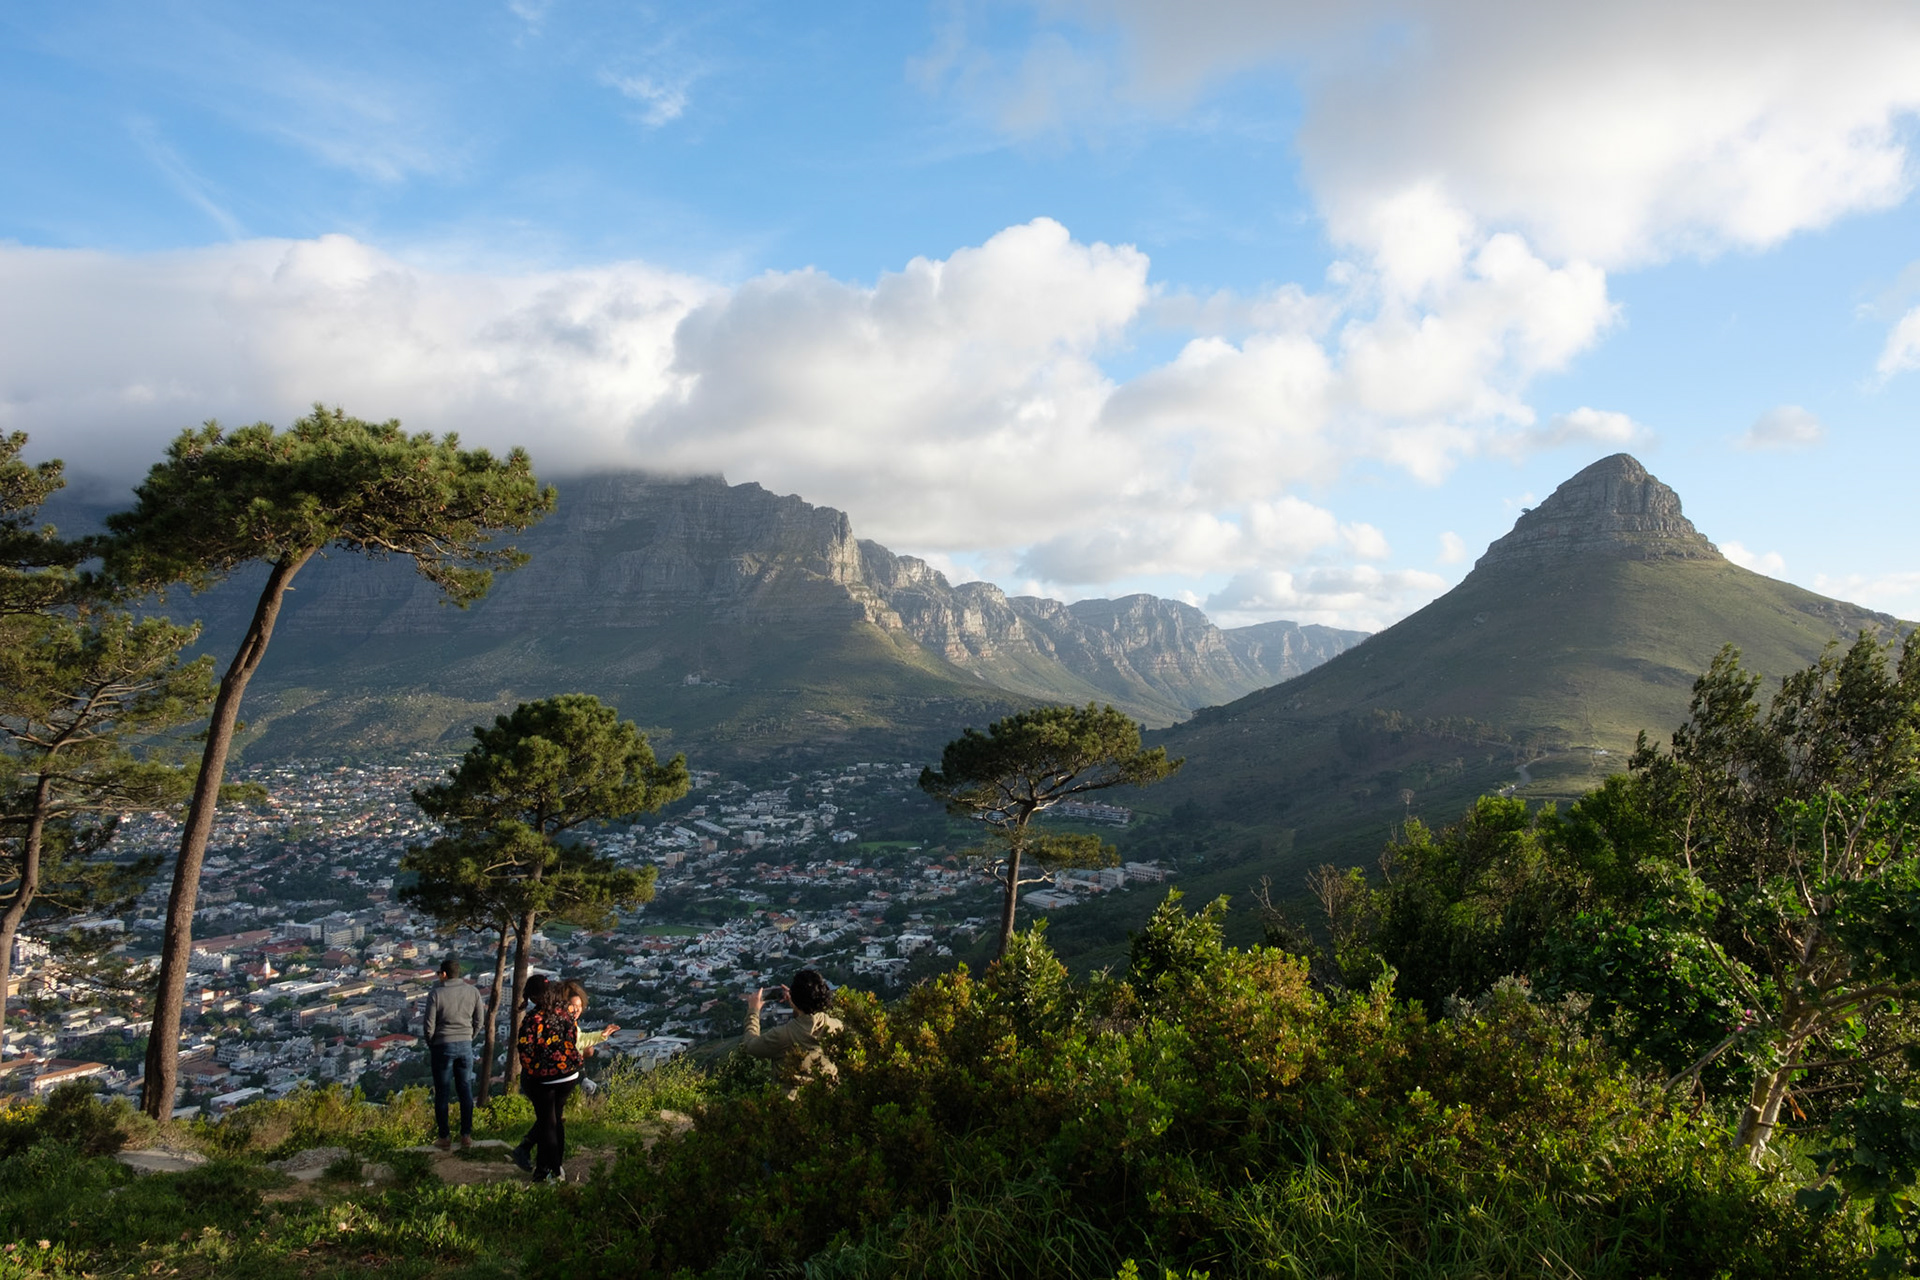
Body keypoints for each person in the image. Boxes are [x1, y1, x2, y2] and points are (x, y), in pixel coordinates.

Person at [513, 979, 594, 1183]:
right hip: (569, 1075)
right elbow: (574, 1038)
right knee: (555, 1120)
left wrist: (534, 1072)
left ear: (532, 998)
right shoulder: (565, 1013)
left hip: (546, 1078)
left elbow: (525, 1051)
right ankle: (544, 1169)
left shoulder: (533, 1019)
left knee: (548, 1124)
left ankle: (554, 1171)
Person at [420, 956, 484, 1150]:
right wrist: (469, 1036)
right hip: (465, 1044)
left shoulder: (436, 994)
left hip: (442, 1045)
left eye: (439, 973)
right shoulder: (473, 992)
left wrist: (433, 1043)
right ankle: (466, 1134)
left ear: (444, 974)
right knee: (465, 1089)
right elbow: (479, 1020)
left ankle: (444, 1136)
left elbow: (428, 1025)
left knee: (443, 1092)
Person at [742, 968, 843, 1088]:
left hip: (791, 1102)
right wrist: (797, 1002)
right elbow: (808, 1019)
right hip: (829, 1094)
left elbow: (751, 1046)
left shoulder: (783, 1035)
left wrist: (753, 1010)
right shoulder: (836, 1025)